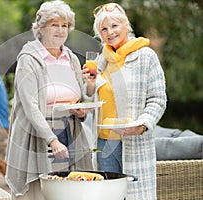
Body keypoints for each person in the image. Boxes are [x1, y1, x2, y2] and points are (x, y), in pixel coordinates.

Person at [5, 1, 93, 199]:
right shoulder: (29, 58)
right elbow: (30, 106)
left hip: (69, 133)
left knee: (68, 191)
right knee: (38, 193)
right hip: (38, 135)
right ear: (41, 28)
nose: (61, 30)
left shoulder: (70, 57)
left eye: (64, 26)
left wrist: (81, 110)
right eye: (54, 25)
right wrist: (52, 140)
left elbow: (80, 97)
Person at [82, 3, 167, 199]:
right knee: (108, 195)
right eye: (104, 29)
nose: (110, 32)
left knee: (135, 195)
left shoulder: (146, 56)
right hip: (104, 144)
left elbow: (158, 99)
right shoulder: (101, 61)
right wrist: (90, 85)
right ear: (99, 34)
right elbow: (91, 98)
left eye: (114, 25)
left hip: (133, 141)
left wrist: (142, 125)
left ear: (126, 26)